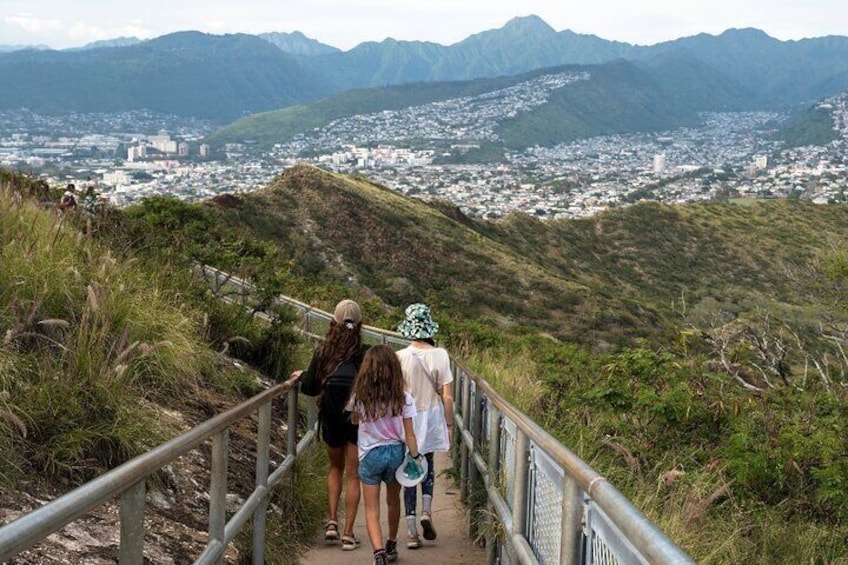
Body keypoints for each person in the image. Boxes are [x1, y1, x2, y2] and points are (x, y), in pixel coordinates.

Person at [292, 299, 367, 550]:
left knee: (335, 468)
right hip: (357, 418)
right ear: (358, 325)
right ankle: (348, 534)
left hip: (330, 415)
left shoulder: (323, 351)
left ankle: (332, 522)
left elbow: (311, 387)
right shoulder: (364, 353)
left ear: (332, 321)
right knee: (353, 475)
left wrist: (301, 375)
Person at [348, 345, 421, 565]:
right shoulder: (404, 398)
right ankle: (391, 543)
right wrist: (416, 458)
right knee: (392, 502)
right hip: (396, 453)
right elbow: (410, 435)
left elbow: (354, 420)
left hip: (370, 453)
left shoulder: (359, 397)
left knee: (371, 508)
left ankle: (378, 553)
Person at [395, 303, 454, 549]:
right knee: (428, 462)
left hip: (408, 418)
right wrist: (449, 424)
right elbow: (447, 396)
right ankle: (427, 511)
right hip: (431, 416)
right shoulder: (440, 354)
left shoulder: (399, 357)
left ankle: (410, 533)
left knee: (409, 468)